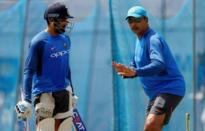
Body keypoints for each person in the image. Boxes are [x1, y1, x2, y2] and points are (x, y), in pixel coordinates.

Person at [112, 5, 185, 131]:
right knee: (151, 128)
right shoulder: (139, 40)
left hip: (170, 89)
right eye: (130, 21)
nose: (134, 24)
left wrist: (135, 71)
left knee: (151, 124)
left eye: (137, 20)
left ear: (146, 20)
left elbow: (159, 64)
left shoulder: (153, 39)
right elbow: (135, 64)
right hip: (156, 94)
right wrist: (128, 71)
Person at [15, 2, 77, 131]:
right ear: (51, 19)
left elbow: (66, 68)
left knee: (64, 127)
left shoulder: (65, 39)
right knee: (46, 128)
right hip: (44, 93)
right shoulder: (38, 42)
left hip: (64, 91)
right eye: (63, 19)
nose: (66, 22)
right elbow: (28, 71)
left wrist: (72, 92)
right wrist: (26, 100)